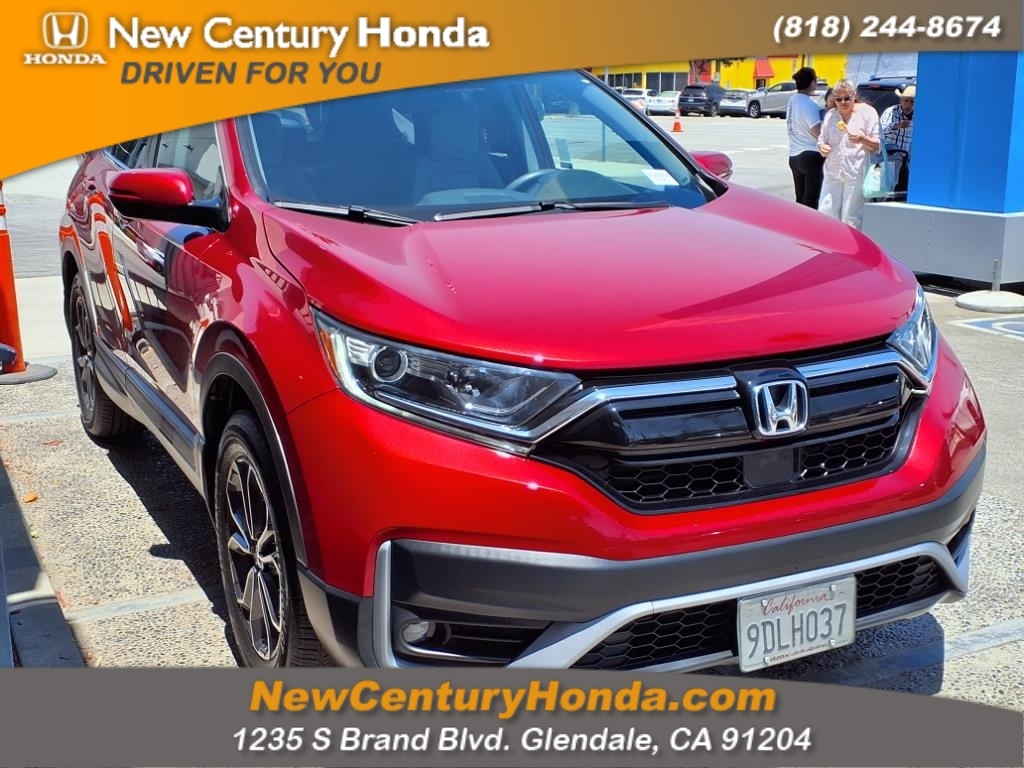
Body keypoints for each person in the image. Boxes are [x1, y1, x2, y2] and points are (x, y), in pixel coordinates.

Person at [816, 79, 880, 230]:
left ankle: (851, 245)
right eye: (838, 99)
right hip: (833, 172)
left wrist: (863, 139)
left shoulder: (867, 113)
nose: (843, 102)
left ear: (854, 95)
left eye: (847, 98)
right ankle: (829, 244)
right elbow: (821, 140)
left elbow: (878, 144)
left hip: (856, 173)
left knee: (851, 218)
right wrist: (822, 147)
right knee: (826, 213)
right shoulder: (831, 115)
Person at [786, 67, 824, 208]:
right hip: (811, 155)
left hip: (794, 155)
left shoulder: (792, 101)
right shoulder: (810, 104)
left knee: (800, 200)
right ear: (812, 83)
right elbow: (816, 132)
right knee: (811, 202)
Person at [879, 84, 915, 194]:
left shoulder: (920, 115)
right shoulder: (891, 111)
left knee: (905, 191)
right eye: (906, 101)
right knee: (887, 189)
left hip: (908, 160)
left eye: (912, 102)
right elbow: (880, 131)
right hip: (891, 157)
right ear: (901, 100)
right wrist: (896, 126)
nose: (908, 104)